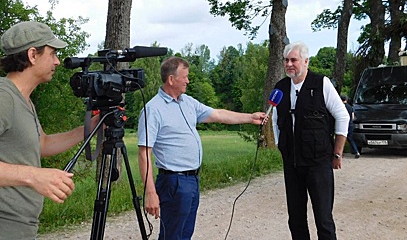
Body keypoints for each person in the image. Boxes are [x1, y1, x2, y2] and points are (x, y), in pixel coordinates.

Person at [137, 56, 266, 240]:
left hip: (192, 180)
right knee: (172, 235)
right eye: (185, 76)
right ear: (171, 79)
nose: (188, 81)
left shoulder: (188, 102)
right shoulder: (153, 110)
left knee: (185, 234)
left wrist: (250, 117)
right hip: (173, 182)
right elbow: (144, 154)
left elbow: (219, 114)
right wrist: (150, 192)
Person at [0, 21, 98, 240]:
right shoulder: (4, 97)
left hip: (21, 227)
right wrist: (34, 176)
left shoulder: (24, 99)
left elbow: (42, 145)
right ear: (33, 55)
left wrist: (89, 127)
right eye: (52, 53)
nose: (57, 61)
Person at [271, 41, 349, 240]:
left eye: (294, 60)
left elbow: (342, 116)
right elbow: (274, 120)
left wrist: (337, 153)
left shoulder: (321, 83)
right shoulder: (280, 88)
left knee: (323, 218)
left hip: (318, 163)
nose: (289, 64)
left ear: (306, 61)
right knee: (295, 219)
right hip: (292, 164)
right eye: (286, 60)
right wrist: (282, 146)